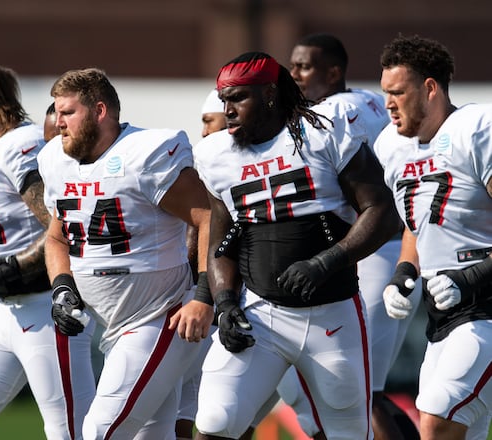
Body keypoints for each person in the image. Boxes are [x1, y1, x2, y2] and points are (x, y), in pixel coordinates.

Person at [192, 52, 400, 440]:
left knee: (348, 433)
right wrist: (224, 303)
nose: (228, 111)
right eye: (224, 101)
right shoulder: (215, 154)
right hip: (260, 313)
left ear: (270, 94)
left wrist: (326, 262)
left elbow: (383, 212)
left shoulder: (322, 133)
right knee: (215, 422)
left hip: (331, 315)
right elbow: (222, 239)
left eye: (238, 98)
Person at [38, 67, 214, 439]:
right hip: (113, 327)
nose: (58, 123)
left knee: (100, 431)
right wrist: (63, 287)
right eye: (56, 112)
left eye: (68, 112)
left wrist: (204, 295)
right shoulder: (56, 160)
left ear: (100, 111)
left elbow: (209, 217)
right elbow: (56, 239)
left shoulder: (145, 154)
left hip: (160, 317)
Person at [274, 33, 421, 440]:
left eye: (304, 66)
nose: (294, 74)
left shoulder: (334, 111)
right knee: (362, 389)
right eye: (293, 64)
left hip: (378, 248)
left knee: (357, 389)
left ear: (333, 71)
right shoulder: (367, 99)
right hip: (387, 248)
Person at [0, 59, 96, 440]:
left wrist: (1, 268)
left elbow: (62, 226)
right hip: (4, 309)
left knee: (71, 432)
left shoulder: (21, 145)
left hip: (45, 307)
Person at [374, 34, 492, 440]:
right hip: (443, 315)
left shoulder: (476, 129)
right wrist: (404, 271)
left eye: (398, 92)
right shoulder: (391, 146)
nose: (388, 103)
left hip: (487, 307)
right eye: (385, 92)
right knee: (459, 427)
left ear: (429, 88)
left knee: (437, 419)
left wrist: (469, 278)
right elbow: (418, 222)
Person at [176, 88, 230, 440]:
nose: (204, 132)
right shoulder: (206, 165)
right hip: (214, 302)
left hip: (224, 305)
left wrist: (201, 293)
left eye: (209, 121)